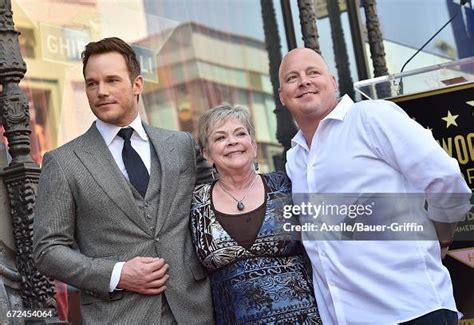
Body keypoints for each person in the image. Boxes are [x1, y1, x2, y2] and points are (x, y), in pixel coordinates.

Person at [278, 48, 472, 324]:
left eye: (313, 72)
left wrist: (442, 236)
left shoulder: (371, 117)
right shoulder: (295, 158)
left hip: (413, 310)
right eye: (292, 77)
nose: (304, 81)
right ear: (282, 96)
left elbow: (446, 180)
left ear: (333, 82)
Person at [33, 37, 214, 324]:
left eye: (112, 80)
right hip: (118, 315)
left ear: (137, 84)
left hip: (196, 311)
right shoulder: (63, 162)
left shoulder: (181, 146)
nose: (101, 91)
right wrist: (117, 274)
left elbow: (214, 206)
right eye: (92, 83)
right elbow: (47, 251)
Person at [190, 104, 321, 324]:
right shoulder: (195, 203)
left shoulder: (286, 185)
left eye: (240, 134)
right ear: (207, 154)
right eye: (220, 138)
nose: (232, 141)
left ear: (253, 145)